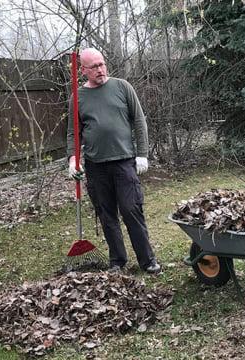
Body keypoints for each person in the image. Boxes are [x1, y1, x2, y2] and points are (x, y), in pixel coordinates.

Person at [66, 47, 161, 273]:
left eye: (102, 64)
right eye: (94, 67)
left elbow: (139, 121)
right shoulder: (77, 97)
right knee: (106, 214)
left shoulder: (122, 87)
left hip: (124, 162)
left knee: (131, 210)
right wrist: (73, 159)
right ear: (83, 70)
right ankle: (117, 261)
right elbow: (73, 132)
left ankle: (147, 261)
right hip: (96, 166)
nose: (100, 69)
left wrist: (142, 154)